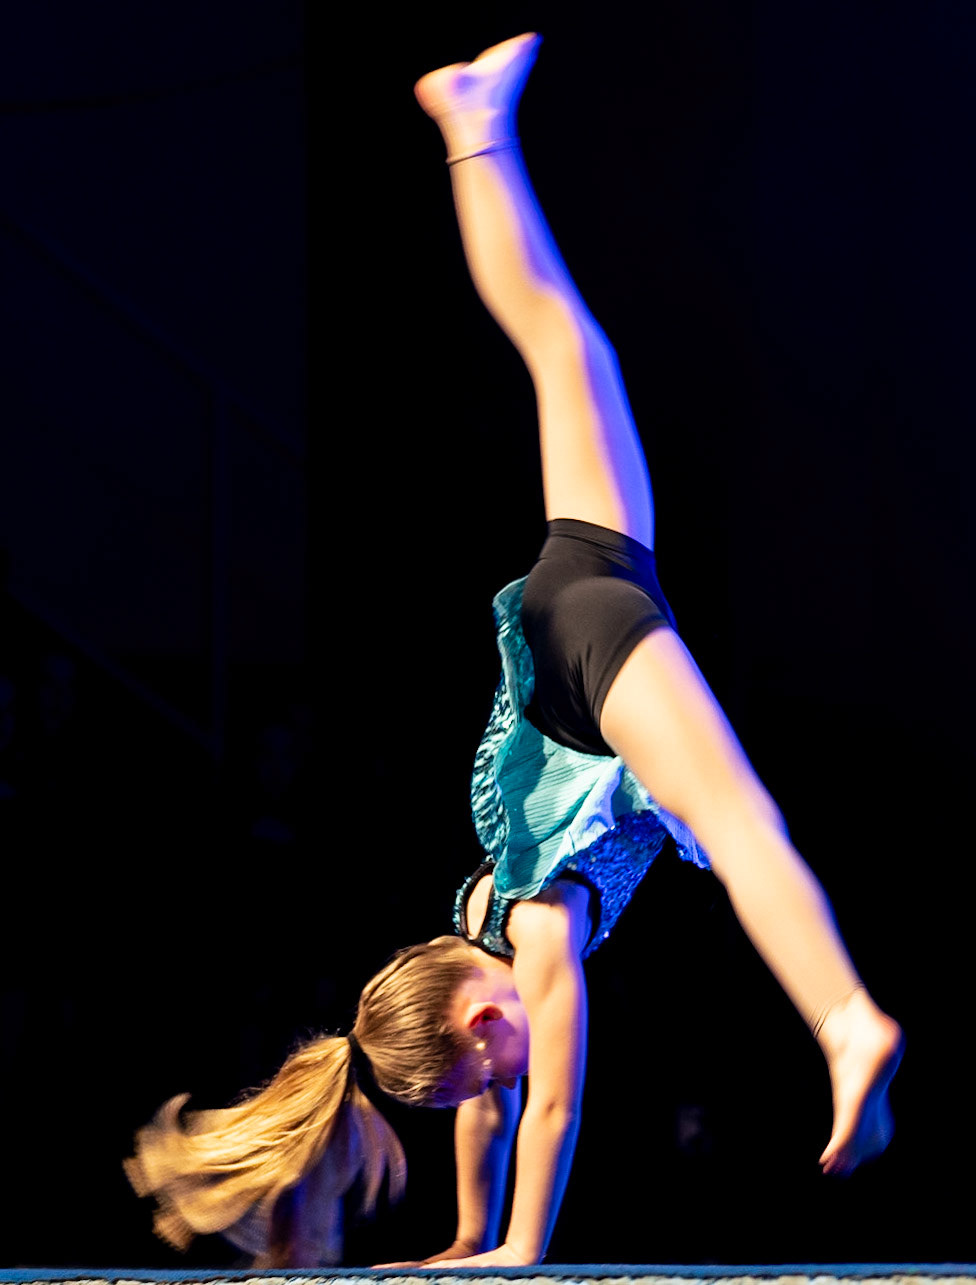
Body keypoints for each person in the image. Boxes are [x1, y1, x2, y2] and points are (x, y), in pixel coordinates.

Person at [125, 33, 903, 1269]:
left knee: (741, 820)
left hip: (585, 658)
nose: (489, 1092)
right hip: (573, 611)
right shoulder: (477, 925)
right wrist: (462, 1234)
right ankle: (471, 125)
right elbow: (488, 1106)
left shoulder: (534, 937)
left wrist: (516, 1252)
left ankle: (846, 1019)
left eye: (476, 1073)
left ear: (480, 1017)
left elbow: (544, 1105)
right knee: (563, 349)